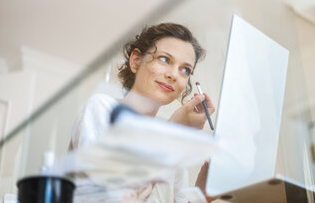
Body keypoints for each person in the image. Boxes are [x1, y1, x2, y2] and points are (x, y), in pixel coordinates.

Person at [69, 23, 215, 202]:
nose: (174, 75)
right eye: (164, 59)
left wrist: (202, 193)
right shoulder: (102, 108)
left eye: (185, 70)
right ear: (136, 60)